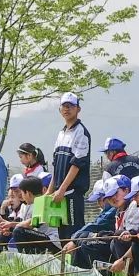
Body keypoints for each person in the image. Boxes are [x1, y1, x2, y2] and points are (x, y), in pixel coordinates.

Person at [47, 92, 92, 242]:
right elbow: (56, 164)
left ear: (78, 109)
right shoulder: (61, 133)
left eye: (71, 106)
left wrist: (62, 189)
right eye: (64, 106)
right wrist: (50, 190)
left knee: (75, 234)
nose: (67, 109)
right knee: (63, 236)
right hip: (59, 194)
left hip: (72, 193)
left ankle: (78, 264)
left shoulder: (82, 133)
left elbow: (76, 165)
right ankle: (65, 265)